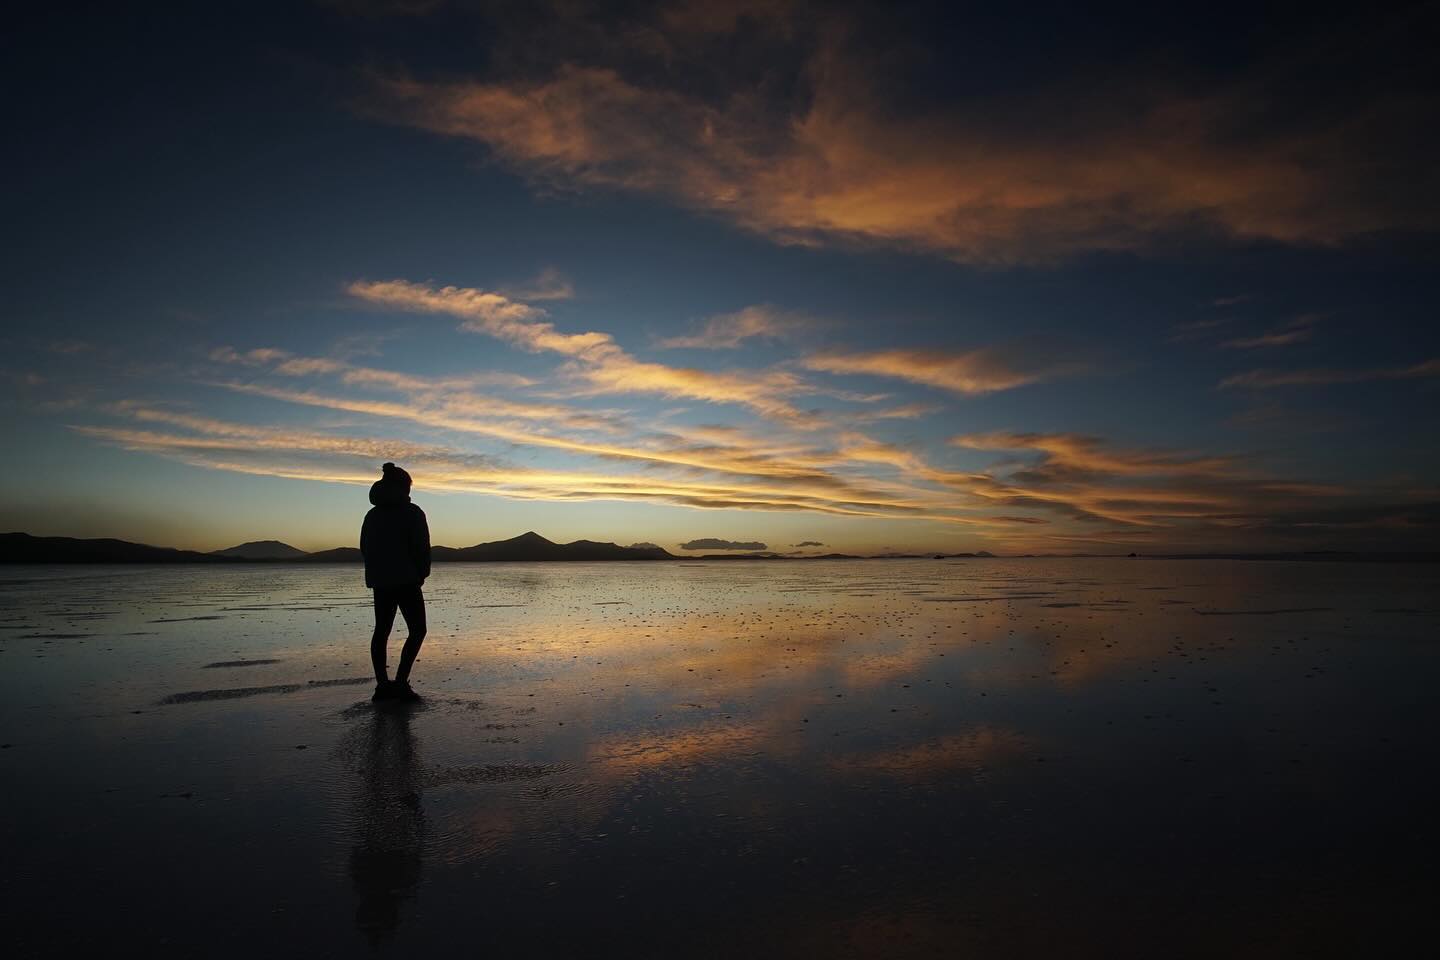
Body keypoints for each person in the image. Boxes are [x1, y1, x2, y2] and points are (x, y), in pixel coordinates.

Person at [361, 462, 430, 702]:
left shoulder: (372, 515)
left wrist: (375, 573)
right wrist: (421, 574)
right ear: (403, 487)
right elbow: (421, 548)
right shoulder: (412, 513)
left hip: (380, 582)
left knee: (382, 630)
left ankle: (382, 685)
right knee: (418, 630)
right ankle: (400, 683)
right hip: (407, 580)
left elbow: (365, 548)